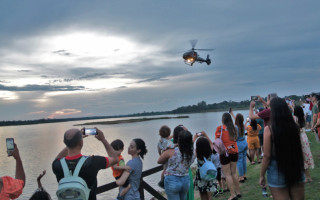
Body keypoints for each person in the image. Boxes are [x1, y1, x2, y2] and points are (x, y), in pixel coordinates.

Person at [52, 128, 118, 200]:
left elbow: (57, 158)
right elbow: (115, 159)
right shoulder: (92, 162)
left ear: (64, 142)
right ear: (81, 143)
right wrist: (103, 139)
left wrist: (71, 143)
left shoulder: (57, 165)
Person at [260, 98, 305, 199]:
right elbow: (299, 148)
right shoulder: (294, 126)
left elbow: (266, 156)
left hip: (277, 170)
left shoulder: (269, 129)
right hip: (296, 168)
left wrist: (262, 175)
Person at [158, 130, 195, 200]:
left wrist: (168, 148)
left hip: (172, 180)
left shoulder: (172, 151)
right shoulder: (193, 152)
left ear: (179, 140)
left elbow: (159, 161)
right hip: (185, 180)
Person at [215, 113, 240, 200]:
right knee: (234, 172)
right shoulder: (234, 128)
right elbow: (235, 138)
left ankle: (232, 195)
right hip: (234, 151)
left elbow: (217, 141)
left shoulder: (220, 128)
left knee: (227, 174)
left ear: (223, 120)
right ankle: (238, 192)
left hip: (224, 153)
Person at [294, 106, 314, 182]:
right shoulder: (303, 118)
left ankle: (306, 177)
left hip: (299, 138)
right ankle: (308, 176)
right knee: (306, 156)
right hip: (304, 137)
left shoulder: (295, 119)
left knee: (301, 157)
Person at [193, 133, 217, 200]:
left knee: (202, 193)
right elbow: (212, 144)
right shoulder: (210, 153)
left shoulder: (197, 154)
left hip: (201, 176)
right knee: (209, 193)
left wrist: (194, 139)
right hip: (209, 174)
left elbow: (192, 148)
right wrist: (205, 135)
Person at [230, 111, 248, 183]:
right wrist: (232, 114)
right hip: (244, 143)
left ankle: (241, 177)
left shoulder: (235, 127)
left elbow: (235, 138)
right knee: (244, 160)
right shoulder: (242, 126)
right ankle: (244, 174)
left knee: (239, 161)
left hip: (239, 145)